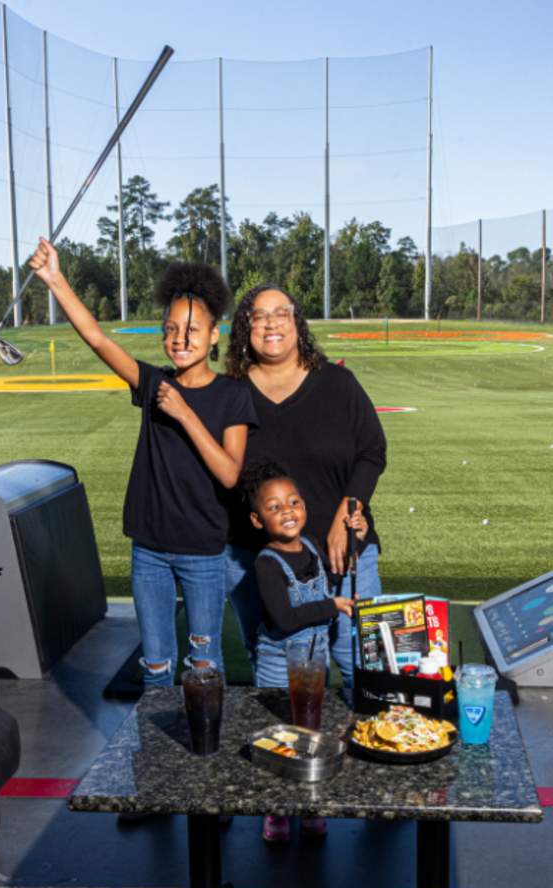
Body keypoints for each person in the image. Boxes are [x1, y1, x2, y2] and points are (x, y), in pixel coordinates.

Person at [29, 238, 257, 686]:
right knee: (155, 665)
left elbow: (231, 473)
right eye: (171, 329)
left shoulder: (233, 395)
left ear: (214, 335)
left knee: (205, 666)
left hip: (203, 552)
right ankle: (157, 753)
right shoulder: (153, 381)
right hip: (150, 548)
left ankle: (202, 750)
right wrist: (56, 279)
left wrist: (184, 413)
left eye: (193, 330)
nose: (180, 339)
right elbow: (97, 338)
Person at [225, 284, 386, 698]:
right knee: (282, 675)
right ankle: (293, 758)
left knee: (363, 668)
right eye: (258, 316)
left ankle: (367, 754)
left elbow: (372, 451)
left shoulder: (338, 384)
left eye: (281, 312)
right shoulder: (230, 393)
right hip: (258, 562)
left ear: (297, 320)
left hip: (343, 553)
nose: (271, 323)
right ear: (246, 328)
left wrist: (344, 514)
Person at [240, 461, 365, 842]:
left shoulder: (311, 545)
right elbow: (285, 617)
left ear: (305, 507)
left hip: (314, 663)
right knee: (283, 742)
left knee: (312, 736)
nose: (287, 511)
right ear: (258, 520)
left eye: (293, 502)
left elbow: (338, 573)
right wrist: (334, 606)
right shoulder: (266, 564)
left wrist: (356, 537)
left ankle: (310, 807)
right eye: (274, 507)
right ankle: (276, 810)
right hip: (281, 665)